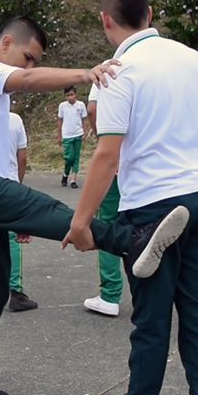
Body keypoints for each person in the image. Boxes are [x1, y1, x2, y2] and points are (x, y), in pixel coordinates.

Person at [0, 16, 191, 395]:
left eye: (34, 60)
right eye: (27, 57)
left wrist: (14, 212)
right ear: (6, 43)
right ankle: (130, 240)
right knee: (45, 206)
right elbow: (28, 82)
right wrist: (86, 74)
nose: (29, 67)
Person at [69, 0, 198, 395]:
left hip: (156, 206)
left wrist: (81, 222)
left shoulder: (120, 70)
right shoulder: (191, 57)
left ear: (106, 20)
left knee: (152, 320)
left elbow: (107, 154)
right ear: (150, 12)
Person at [80, 82, 124, 317]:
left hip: (116, 162)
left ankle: (110, 295)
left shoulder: (107, 71)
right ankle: (155, 294)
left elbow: (93, 109)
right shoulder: (165, 68)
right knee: (151, 225)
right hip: (148, 165)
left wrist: (102, 137)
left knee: (107, 224)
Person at [5, 111, 38, 312]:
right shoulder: (14, 120)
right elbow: (22, 158)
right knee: (12, 239)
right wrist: (18, 183)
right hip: (8, 183)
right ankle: (15, 292)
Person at [57, 86, 88, 188]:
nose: (70, 97)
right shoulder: (62, 106)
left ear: (75, 94)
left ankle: (73, 179)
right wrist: (59, 135)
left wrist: (85, 131)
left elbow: (84, 119)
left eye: (71, 95)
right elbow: (60, 120)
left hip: (78, 133)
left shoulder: (80, 105)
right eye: (67, 95)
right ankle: (65, 174)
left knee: (76, 157)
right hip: (67, 135)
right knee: (69, 157)